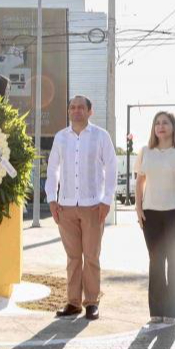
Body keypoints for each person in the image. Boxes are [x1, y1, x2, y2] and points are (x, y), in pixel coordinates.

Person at [46, 95, 117, 321]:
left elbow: (112, 168)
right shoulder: (60, 138)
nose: (76, 111)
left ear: (89, 111)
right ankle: (73, 303)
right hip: (66, 206)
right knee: (73, 257)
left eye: (80, 107)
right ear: (68, 111)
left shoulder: (100, 136)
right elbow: (53, 169)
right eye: (72, 107)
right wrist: (51, 199)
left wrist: (106, 200)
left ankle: (92, 303)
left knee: (92, 256)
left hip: (93, 206)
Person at [135, 111, 175, 325]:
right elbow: (140, 182)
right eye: (157, 123)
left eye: (165, 123)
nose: (161, 126)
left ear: (173, 127)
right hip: (150, 213)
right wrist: (138, 208)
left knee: (174, 261)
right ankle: (156, 311)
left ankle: (171, 313)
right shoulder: (146, 152)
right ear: (153, 128)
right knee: (155, 261)